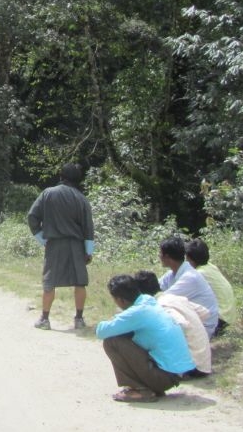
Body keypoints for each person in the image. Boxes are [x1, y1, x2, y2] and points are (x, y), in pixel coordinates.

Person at [94, 274, 195, 402]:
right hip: (174, 374)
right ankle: (149, 386)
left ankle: (140, 390)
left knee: (112, 341)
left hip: (164, 377)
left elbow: (101, 331)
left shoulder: (137, 312)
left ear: (120, 300)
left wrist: (118, 318)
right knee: (125, 334)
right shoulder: (149, 302)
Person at [26, 163, 95, 330]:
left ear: (61, 176)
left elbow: (32, 217)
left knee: (49, 282)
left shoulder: (47, 194)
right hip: (77, 245)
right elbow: (88, 228)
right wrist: (89, 251)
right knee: (80, 282)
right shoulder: (81, 199)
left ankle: (45, 319)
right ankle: (79, 319)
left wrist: (43, 239)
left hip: (54, 244)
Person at [134, 270, 212, 379]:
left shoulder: (160, 306)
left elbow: (181, 323)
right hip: (204, 363)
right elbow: (205, 313)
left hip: (192, 366)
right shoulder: (177, 298)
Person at [158, 236, 220, 337]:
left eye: (160, 253)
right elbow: (154, 289)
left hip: (203, 327)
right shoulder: (172, 273)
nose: (159, 256)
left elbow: (162, 300)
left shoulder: (190, 277)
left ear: (167, 257)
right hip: (193, 320)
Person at [185, 239, 236, 335]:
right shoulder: (210, 266)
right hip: (227, 316)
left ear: (190, 259)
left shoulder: (198, 274)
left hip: (218, 318)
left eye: (186, 258)